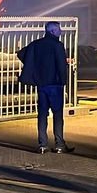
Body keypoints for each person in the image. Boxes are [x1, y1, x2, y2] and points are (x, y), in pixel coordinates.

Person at [17, 21, 72, 154]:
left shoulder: (36, 44)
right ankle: (59, 145)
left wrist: (33, 66)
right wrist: (63, 80)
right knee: (57, 114)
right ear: (52, 31)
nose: (61, 31)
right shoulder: (57, 45)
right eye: (59, 29)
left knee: (42, 114)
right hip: (55, 84)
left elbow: (21, 54)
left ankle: (42, 144)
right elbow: (61, 65)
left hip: (41, 85)